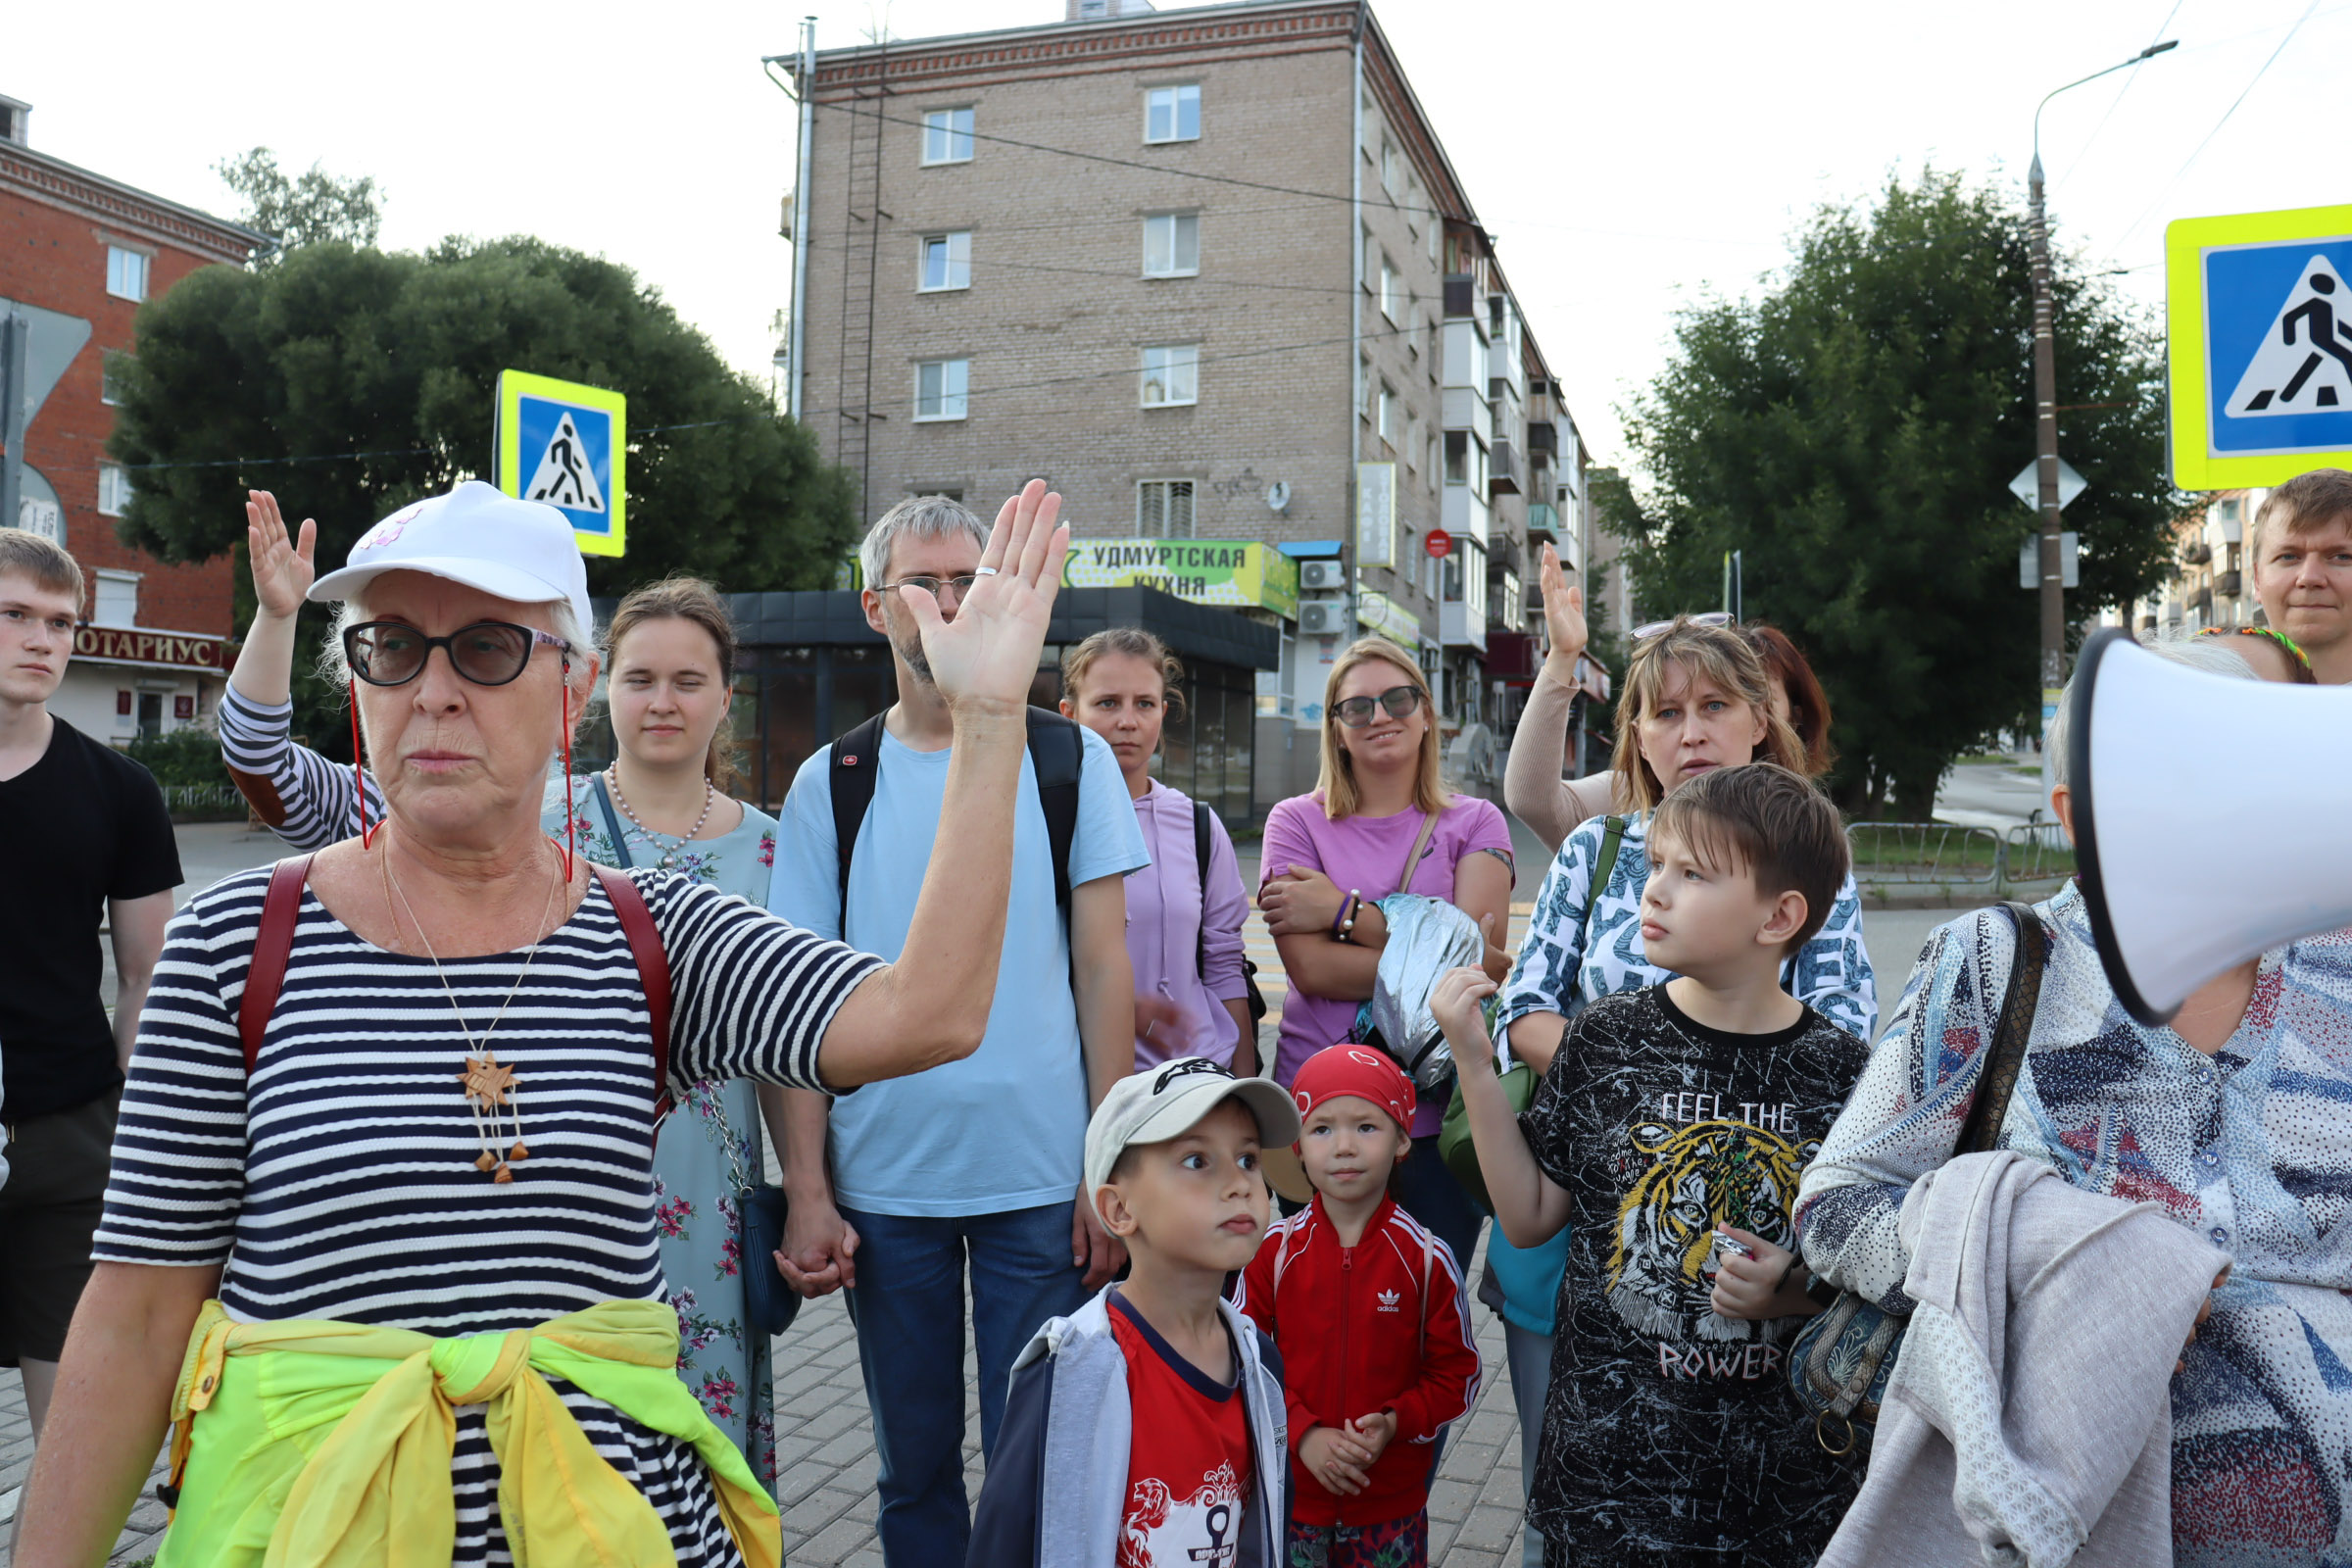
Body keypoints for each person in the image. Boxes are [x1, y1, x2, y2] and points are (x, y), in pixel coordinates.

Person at [16, 477, 1072, 1566]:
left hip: (612, 1531)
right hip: (307, 1531)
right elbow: (136, 1319)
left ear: (569, 688)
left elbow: (929, 1014)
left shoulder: (655, 933)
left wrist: (989, 721)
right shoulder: (235, 944)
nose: (431, 691)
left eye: (483, 648)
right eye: (389, 646)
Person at [214, 492, 795, 1483]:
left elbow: (848, 1026)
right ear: (603, 690)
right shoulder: (501, 790)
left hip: (707, 1178)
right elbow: (267, 768)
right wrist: (276, 619)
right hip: (514, 1185)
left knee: (672, 1417)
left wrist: (812, 1191)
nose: (662, 701)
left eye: (688, 680)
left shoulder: (778, 841)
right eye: (645, 677)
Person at [1796, 633, 2352, 1567]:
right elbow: (1838, 1200)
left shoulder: (2336, 970)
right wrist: (2067, 1277)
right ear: (2075, 811)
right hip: (2069, 1528)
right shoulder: (2000, 961)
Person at [767, 495, 1147, 1567]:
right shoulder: (832, 782)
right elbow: (794, 1004)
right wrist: (807, 1184)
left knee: (1042, 1463)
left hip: (1043, 1185)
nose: (944, 605)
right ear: (872, 607)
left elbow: (1103, 966)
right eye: (919, 585)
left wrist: (1104, 1165)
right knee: (914, 1470)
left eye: (965, 583)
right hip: (887, 1192)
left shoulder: (1069, 764)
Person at [1436, 762, 1872, 1566]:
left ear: (1780, 916)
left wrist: (1793, 1289)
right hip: (1604, 1483)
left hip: (1776, 1500)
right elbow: (1529, 1216)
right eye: (1656, 867)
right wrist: (1472, 1060)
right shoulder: (1605, 1036)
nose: (1656, 892)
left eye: (1693, 874)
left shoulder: (1844, 1074)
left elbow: (1873, 1288)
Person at [968, 1057, 1298, 1568]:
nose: (1240, 1184)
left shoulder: (1260, 1365)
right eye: (1197, 1161)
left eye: (1248, 1159)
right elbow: (1003, 1544)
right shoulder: (1069, 1372)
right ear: (1119, 1210)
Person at [0, 531, 178, 1475]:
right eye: (16, 616)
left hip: (68, 1143)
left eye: (61, 622)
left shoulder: (121, 789)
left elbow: (148, 976)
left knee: (75, 1446)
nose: (44, 640)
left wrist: (128, 1122)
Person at [1257, 636, 1513, 1270]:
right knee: (1320, 1323)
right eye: (1357, 706)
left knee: (1426, 1324)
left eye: (1399, 698)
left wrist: (1344, 913)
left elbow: (1475, 969)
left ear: (1427, 713)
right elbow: (1311, 970)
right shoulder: (1294, 822)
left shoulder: (1477, 822)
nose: (1380, 715)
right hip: (1320, 1117)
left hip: (1433, 1120)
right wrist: (1427, 953)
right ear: (1336, 730)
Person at [1234, 1046, 1479, 1568]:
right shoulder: (1272, 1253)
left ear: (1403, 1139)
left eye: (1366, 1126)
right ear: (1298, 1145)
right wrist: (1300, 1433)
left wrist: (1395, 1421)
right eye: (1322, 1129)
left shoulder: (1427, 1259)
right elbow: (1239, 1360)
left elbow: (1458, 1375)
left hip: (1390, 1510)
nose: (1343, 1146)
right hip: (1290, 1499)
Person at [1503, 545, 1838, 854]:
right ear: (1639, 739)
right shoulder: (1600, 842)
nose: (1692, 735)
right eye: (1667, 713)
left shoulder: (1810, 851)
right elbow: (1532, 800)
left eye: (1714, 705)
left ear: (1759, 721)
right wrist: (1562, 656)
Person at [1058, 628, 1255, 1073]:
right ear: (1069, 714)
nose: (1128, 721)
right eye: (1108, 703)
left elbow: (1225, 963)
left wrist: (1243, 1089)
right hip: (1088, 1083)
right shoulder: (1043, 822)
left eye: (1144, 704)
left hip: (1200, 1077)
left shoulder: (1198, 824)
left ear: (1163, 714)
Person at [2250, 467, 2352, 684]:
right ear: (2257, 580)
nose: (2309, 577)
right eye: (2288, 557)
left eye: (2342, 557)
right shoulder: (2206, 701)